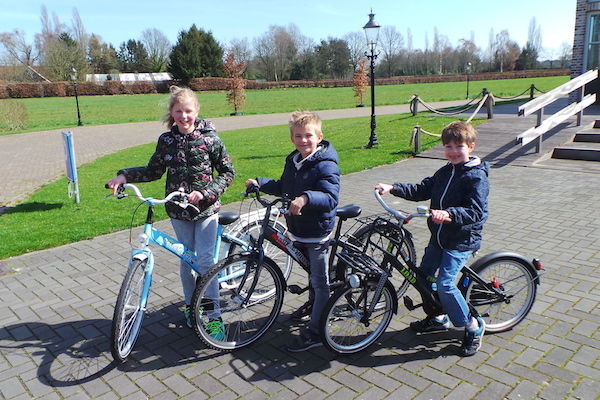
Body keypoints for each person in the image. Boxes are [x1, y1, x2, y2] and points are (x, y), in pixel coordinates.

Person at [106, 86, 235, 336]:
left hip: (206, 211)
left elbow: (228, 173)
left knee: (206, 262)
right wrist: (124, 176)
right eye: (179, 111)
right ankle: (191, 307)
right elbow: (154, 170)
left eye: (188, 111)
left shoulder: (210, 139)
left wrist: (206, 193)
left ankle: (214, 315)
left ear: (196, 111)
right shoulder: (167, 141)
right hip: (178, 210)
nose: (183, 116)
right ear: (172, 113)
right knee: (186, 261)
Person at [375, 121, 489, 357]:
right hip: (438, 238)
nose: (453, 151)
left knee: (446, 284)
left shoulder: (475, 177)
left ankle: (472, 326)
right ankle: (438, 317)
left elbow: (477, 212)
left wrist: (449, 214)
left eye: (459, 146)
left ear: (471, 146)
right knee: (423, 277)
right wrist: (392, 188)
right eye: (448, 146)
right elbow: (421, 189)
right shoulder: (445, 171)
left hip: (461, 240)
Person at [246, 110, 340, 352]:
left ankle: (318, 332)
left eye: (308, 136)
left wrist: (306, 198)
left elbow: (330, 197)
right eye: (298, 136)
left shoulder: (326, 163)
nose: (303, 141)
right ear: (292, 139)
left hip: (317, 231)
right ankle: (314, 305)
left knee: (320, 283)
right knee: (310, 272)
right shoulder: (294, 160)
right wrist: (261, 183)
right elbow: (284, 187)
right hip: (299, 228)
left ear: (319, 137)